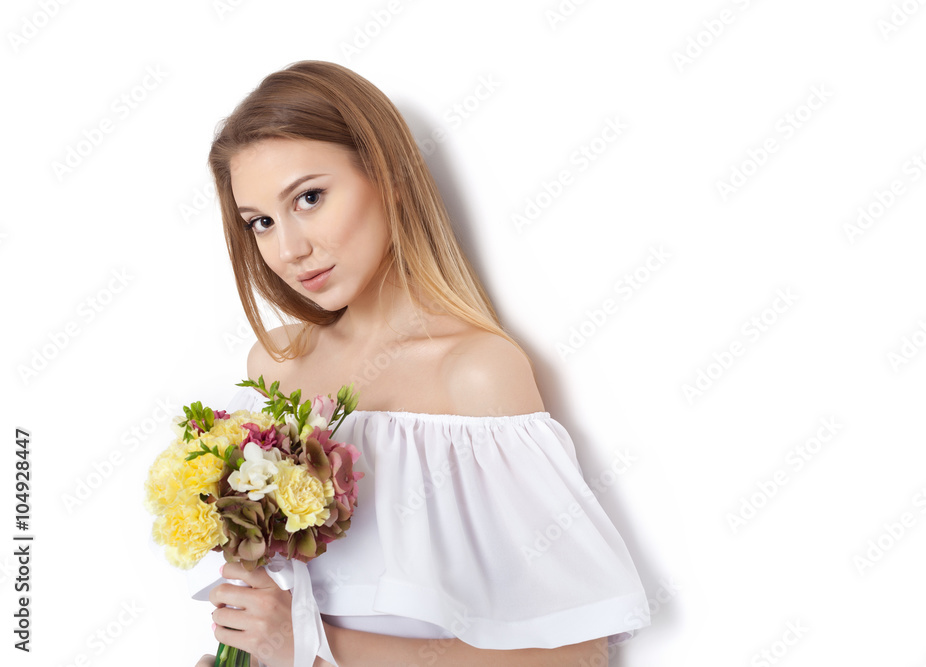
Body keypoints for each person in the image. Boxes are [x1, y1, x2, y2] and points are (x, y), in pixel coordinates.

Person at [188, 60, 650, 667]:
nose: (289, 249)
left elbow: (575, 654)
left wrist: (312, 642)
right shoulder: (275, 367)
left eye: (310, 197)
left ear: (390, 177)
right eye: (262, 223)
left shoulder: (473, 374)